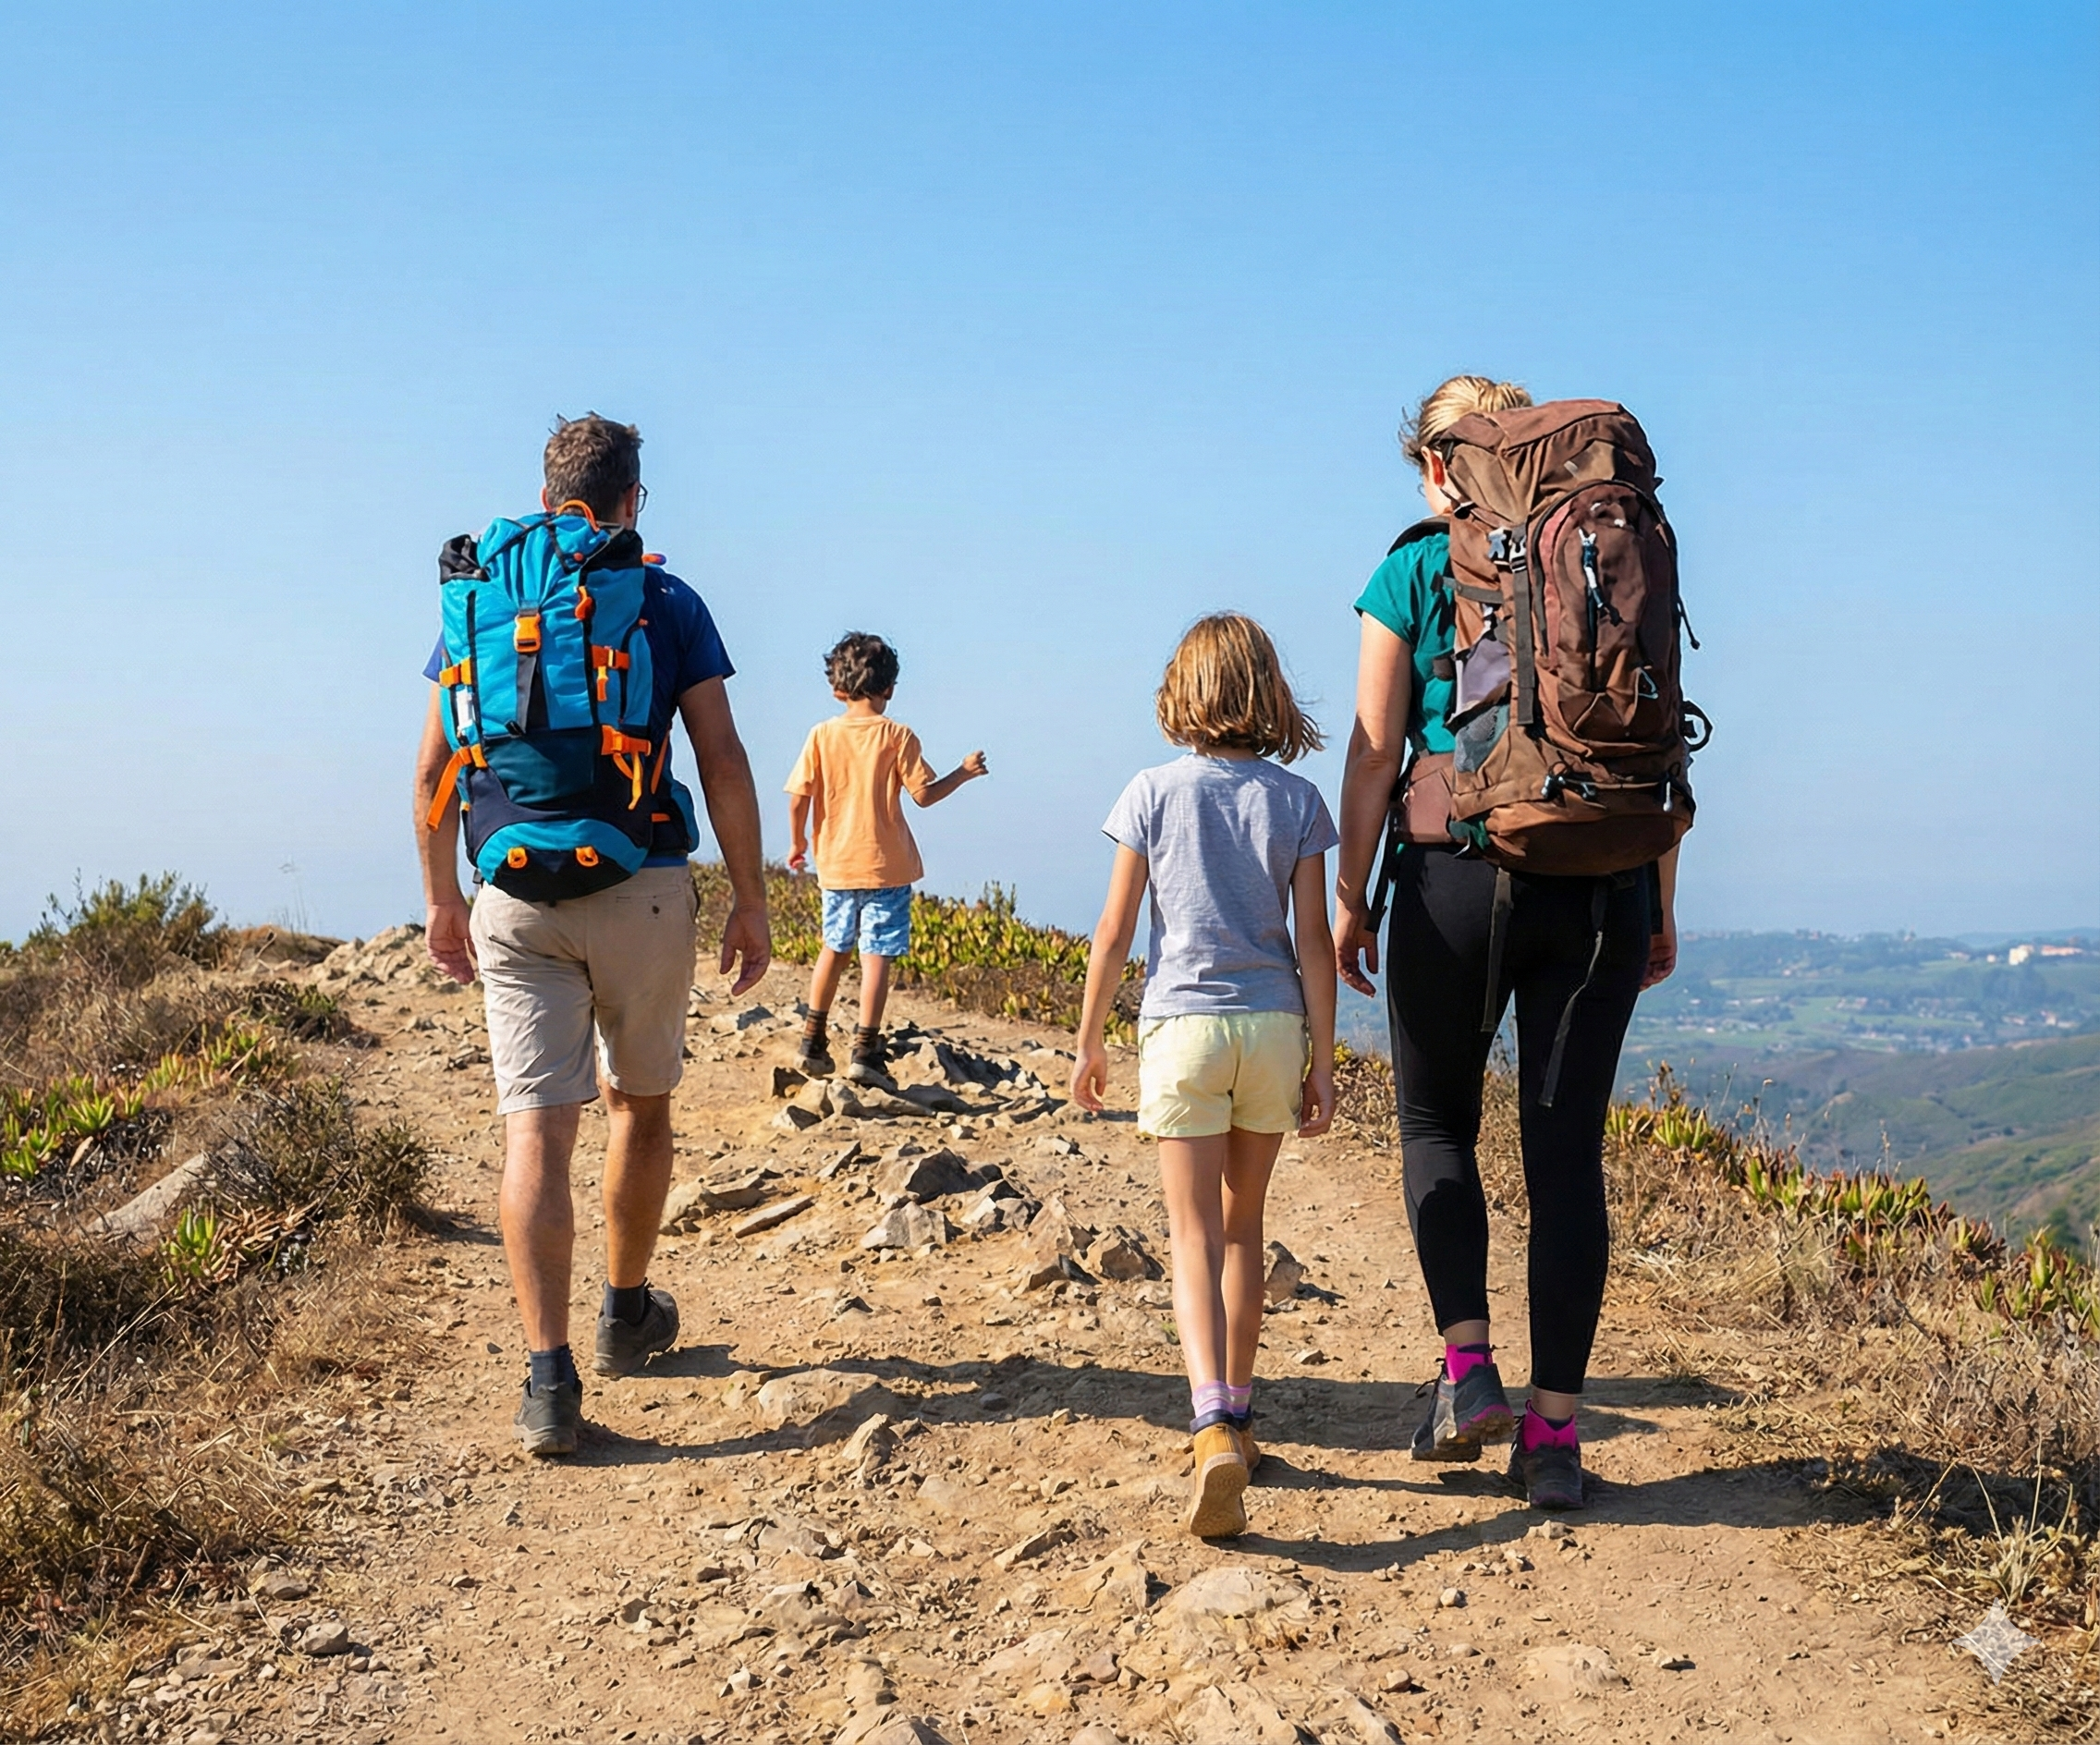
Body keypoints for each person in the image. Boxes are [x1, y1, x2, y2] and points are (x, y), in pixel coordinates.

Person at [1332, 375, 1679, 1510]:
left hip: (1454, 876)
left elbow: (1376, 748)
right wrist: (1658, 896)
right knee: (1565, 1153)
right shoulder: (1608, 545)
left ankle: (1469, 1370)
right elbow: (1648, 731)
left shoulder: (1415, 568)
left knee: (1436, 1120)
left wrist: (1347, 890)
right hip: (1606, 873)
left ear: (1436, 466)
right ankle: (1557, 1437)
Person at [414, 413, 772, 1457]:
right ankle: (623, 1311)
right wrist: (749, 898)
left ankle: (546, 1380)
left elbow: (435, 770)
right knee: (641, 1105)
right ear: (632, 498)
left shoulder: (478, 595)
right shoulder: (659, 598)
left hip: (512, 889)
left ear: (545, 486)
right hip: (643, 883)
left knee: (537, 1132)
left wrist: (441, 896)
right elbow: (723, 758)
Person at [1072, 614, 1338, 1539]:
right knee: (1242, 1230)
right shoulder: (1296, 801)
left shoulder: (1150, 791)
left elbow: (1112, 932)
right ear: (1267, 692)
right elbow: (1315, 943)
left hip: (1181, 1025)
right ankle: (1245, 1414)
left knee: (1189, 1235)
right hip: (1269, 1028)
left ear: (1179, 693)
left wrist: (1088, 1042)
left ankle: (1208, 1425)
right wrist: (1324, 1061)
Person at [785, 632, 988, 1083]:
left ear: (837, 688)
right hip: (887, 867)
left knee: (833, 950)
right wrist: (964, 772)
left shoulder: (820, 735)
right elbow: (924, 796)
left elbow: (799, 795)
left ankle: (812, 1041)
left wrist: (798, 842)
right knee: (876, 958)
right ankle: (864, 1050)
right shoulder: (897, 735)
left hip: (836, 865)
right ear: (890, 688)